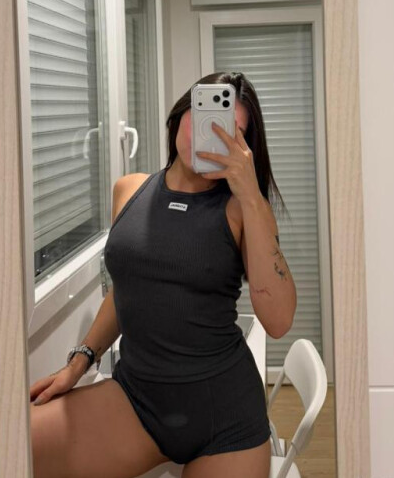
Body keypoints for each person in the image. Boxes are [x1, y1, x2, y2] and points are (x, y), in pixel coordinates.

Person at [29, 70, 296, 478]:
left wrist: (250, 194)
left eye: (231, 131)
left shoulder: (243, 212)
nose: (212, 134)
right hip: (135, 401)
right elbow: (127, 290)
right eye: (203, 116)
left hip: (227, 414)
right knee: (9, 443)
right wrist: (80, 361)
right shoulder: (128, 190)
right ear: (180, 115)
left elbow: (278, 321)